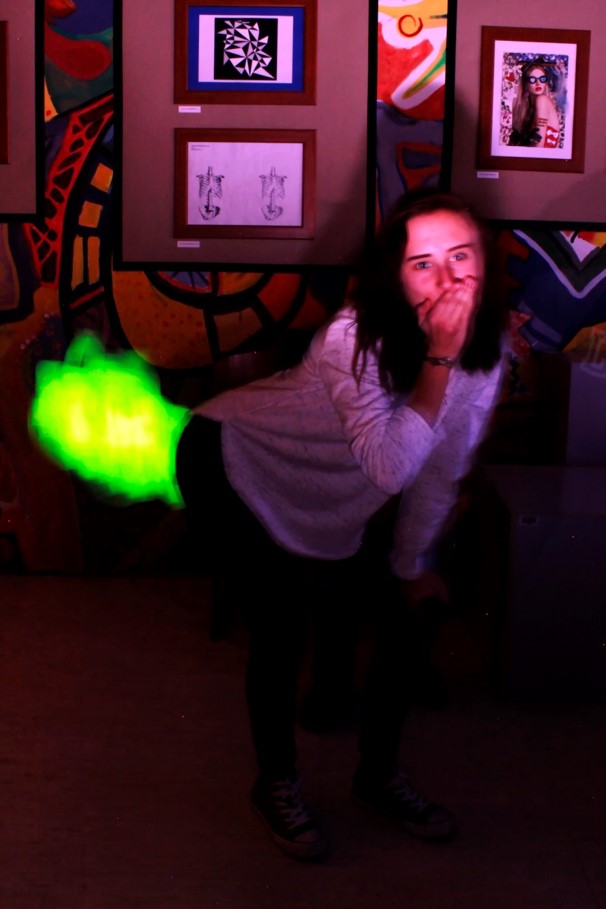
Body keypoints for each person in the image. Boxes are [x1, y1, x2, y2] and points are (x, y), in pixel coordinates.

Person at [174, 187, 508, 860]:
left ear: (484, 262)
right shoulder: (352, 337)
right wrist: (439, 359)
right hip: (234, 456)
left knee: (405, 613)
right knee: (279, 623)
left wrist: (410, 568)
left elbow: (438, 472)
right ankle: (276, 782)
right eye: (422, 263)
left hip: (329, 490)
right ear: (394, 275)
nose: (447, 280)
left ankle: (377, 775)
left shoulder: (488, 352)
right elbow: (389, 466)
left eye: (461, 256)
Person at [508, 60, 562, 149]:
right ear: (526, 84)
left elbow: (539, 143)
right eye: (532, 80)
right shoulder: (528, 109)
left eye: (542, 79)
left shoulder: (542, 100)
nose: (538, 83)